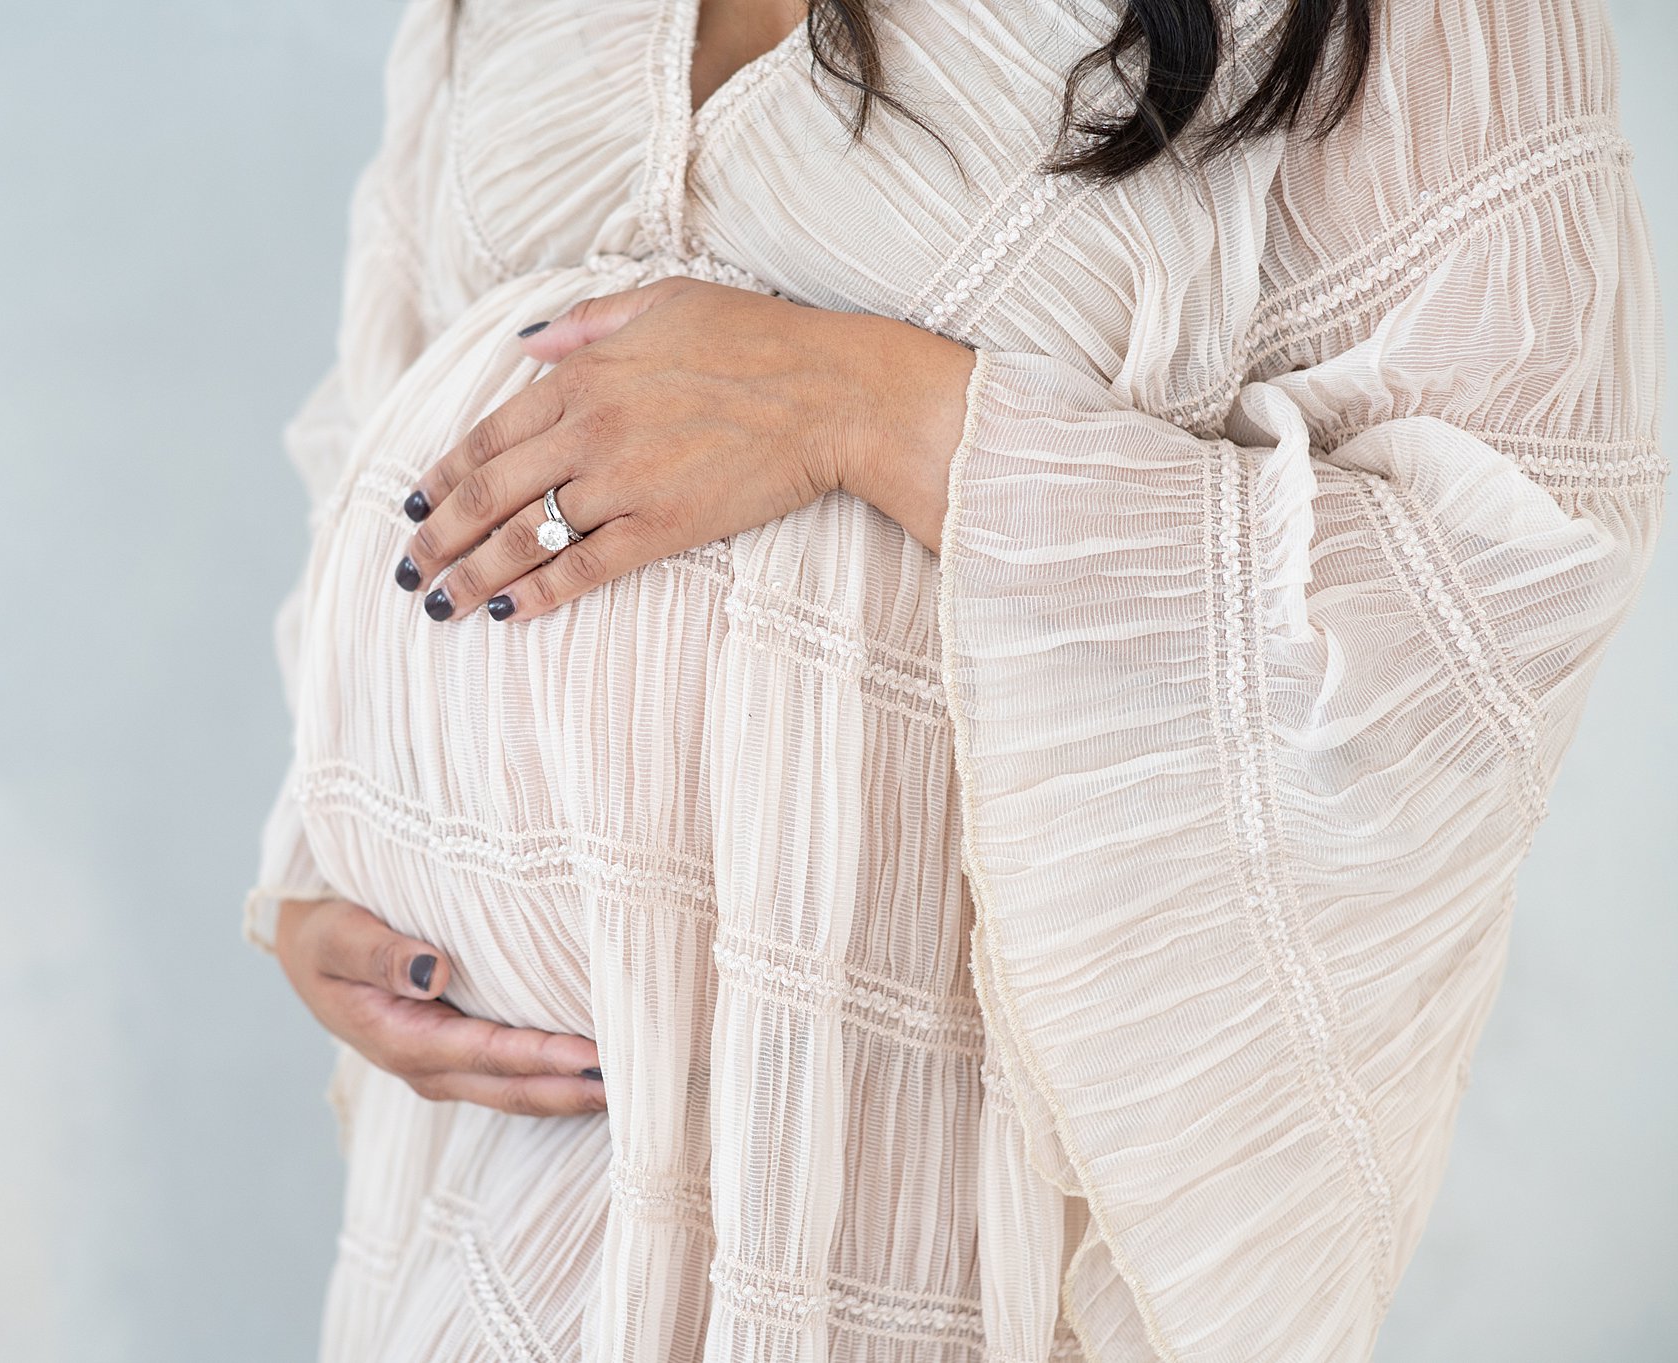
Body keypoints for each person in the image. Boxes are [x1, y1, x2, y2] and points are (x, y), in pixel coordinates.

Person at [241, 1, 1665, 1358]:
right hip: (493, 1184)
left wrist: (872, 410)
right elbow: (369, 405)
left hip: (918, 1195)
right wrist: (323, 869)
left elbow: (1504, 581)